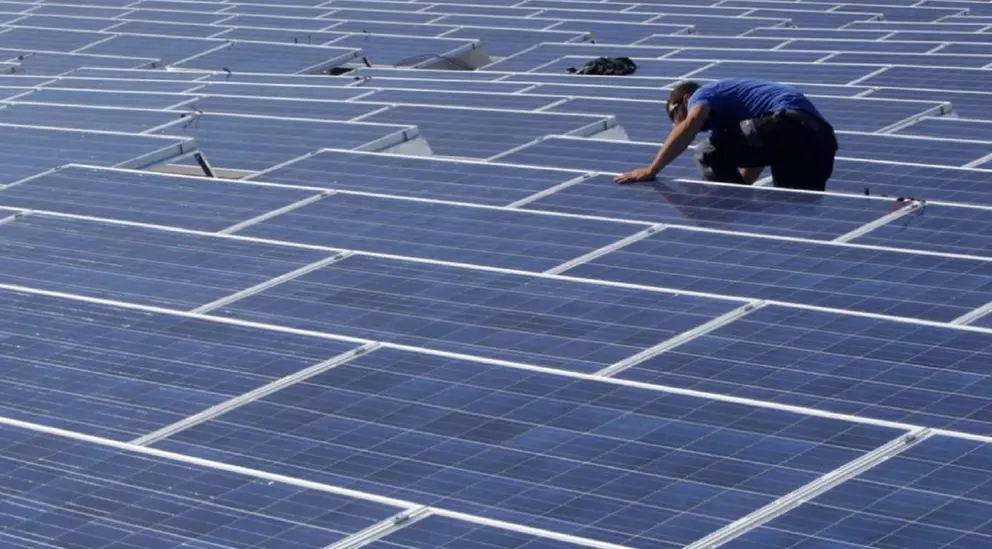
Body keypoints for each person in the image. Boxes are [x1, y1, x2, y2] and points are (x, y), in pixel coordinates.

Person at [614, 79, 838, 191]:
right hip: (819, 140)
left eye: (676, 115)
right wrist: (742, 189)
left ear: (685, 98)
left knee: (707, 152)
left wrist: (651, 169)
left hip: (786, 123)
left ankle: (729, 221)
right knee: (796, 208)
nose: (677, 124)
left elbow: (691, 123)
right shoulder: (734, 116)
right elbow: (757, 150)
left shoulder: (704, 93)